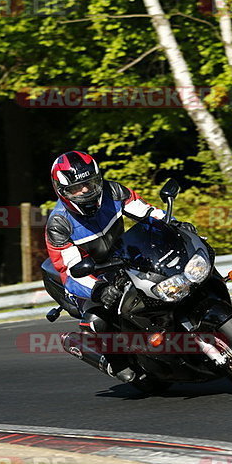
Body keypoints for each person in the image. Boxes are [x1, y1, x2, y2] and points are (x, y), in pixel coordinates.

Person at [45, 150, 195, 382]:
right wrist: (99, 289)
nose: (85, 190)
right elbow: (69, 271)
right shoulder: (59, 223)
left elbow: (146, 212)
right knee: (99, 320)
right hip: (89, 276)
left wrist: (174, 224)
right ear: (62, 191)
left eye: (90, 183)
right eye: (77, 187)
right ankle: (115, 361)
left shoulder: (113, 191)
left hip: (123, 258)